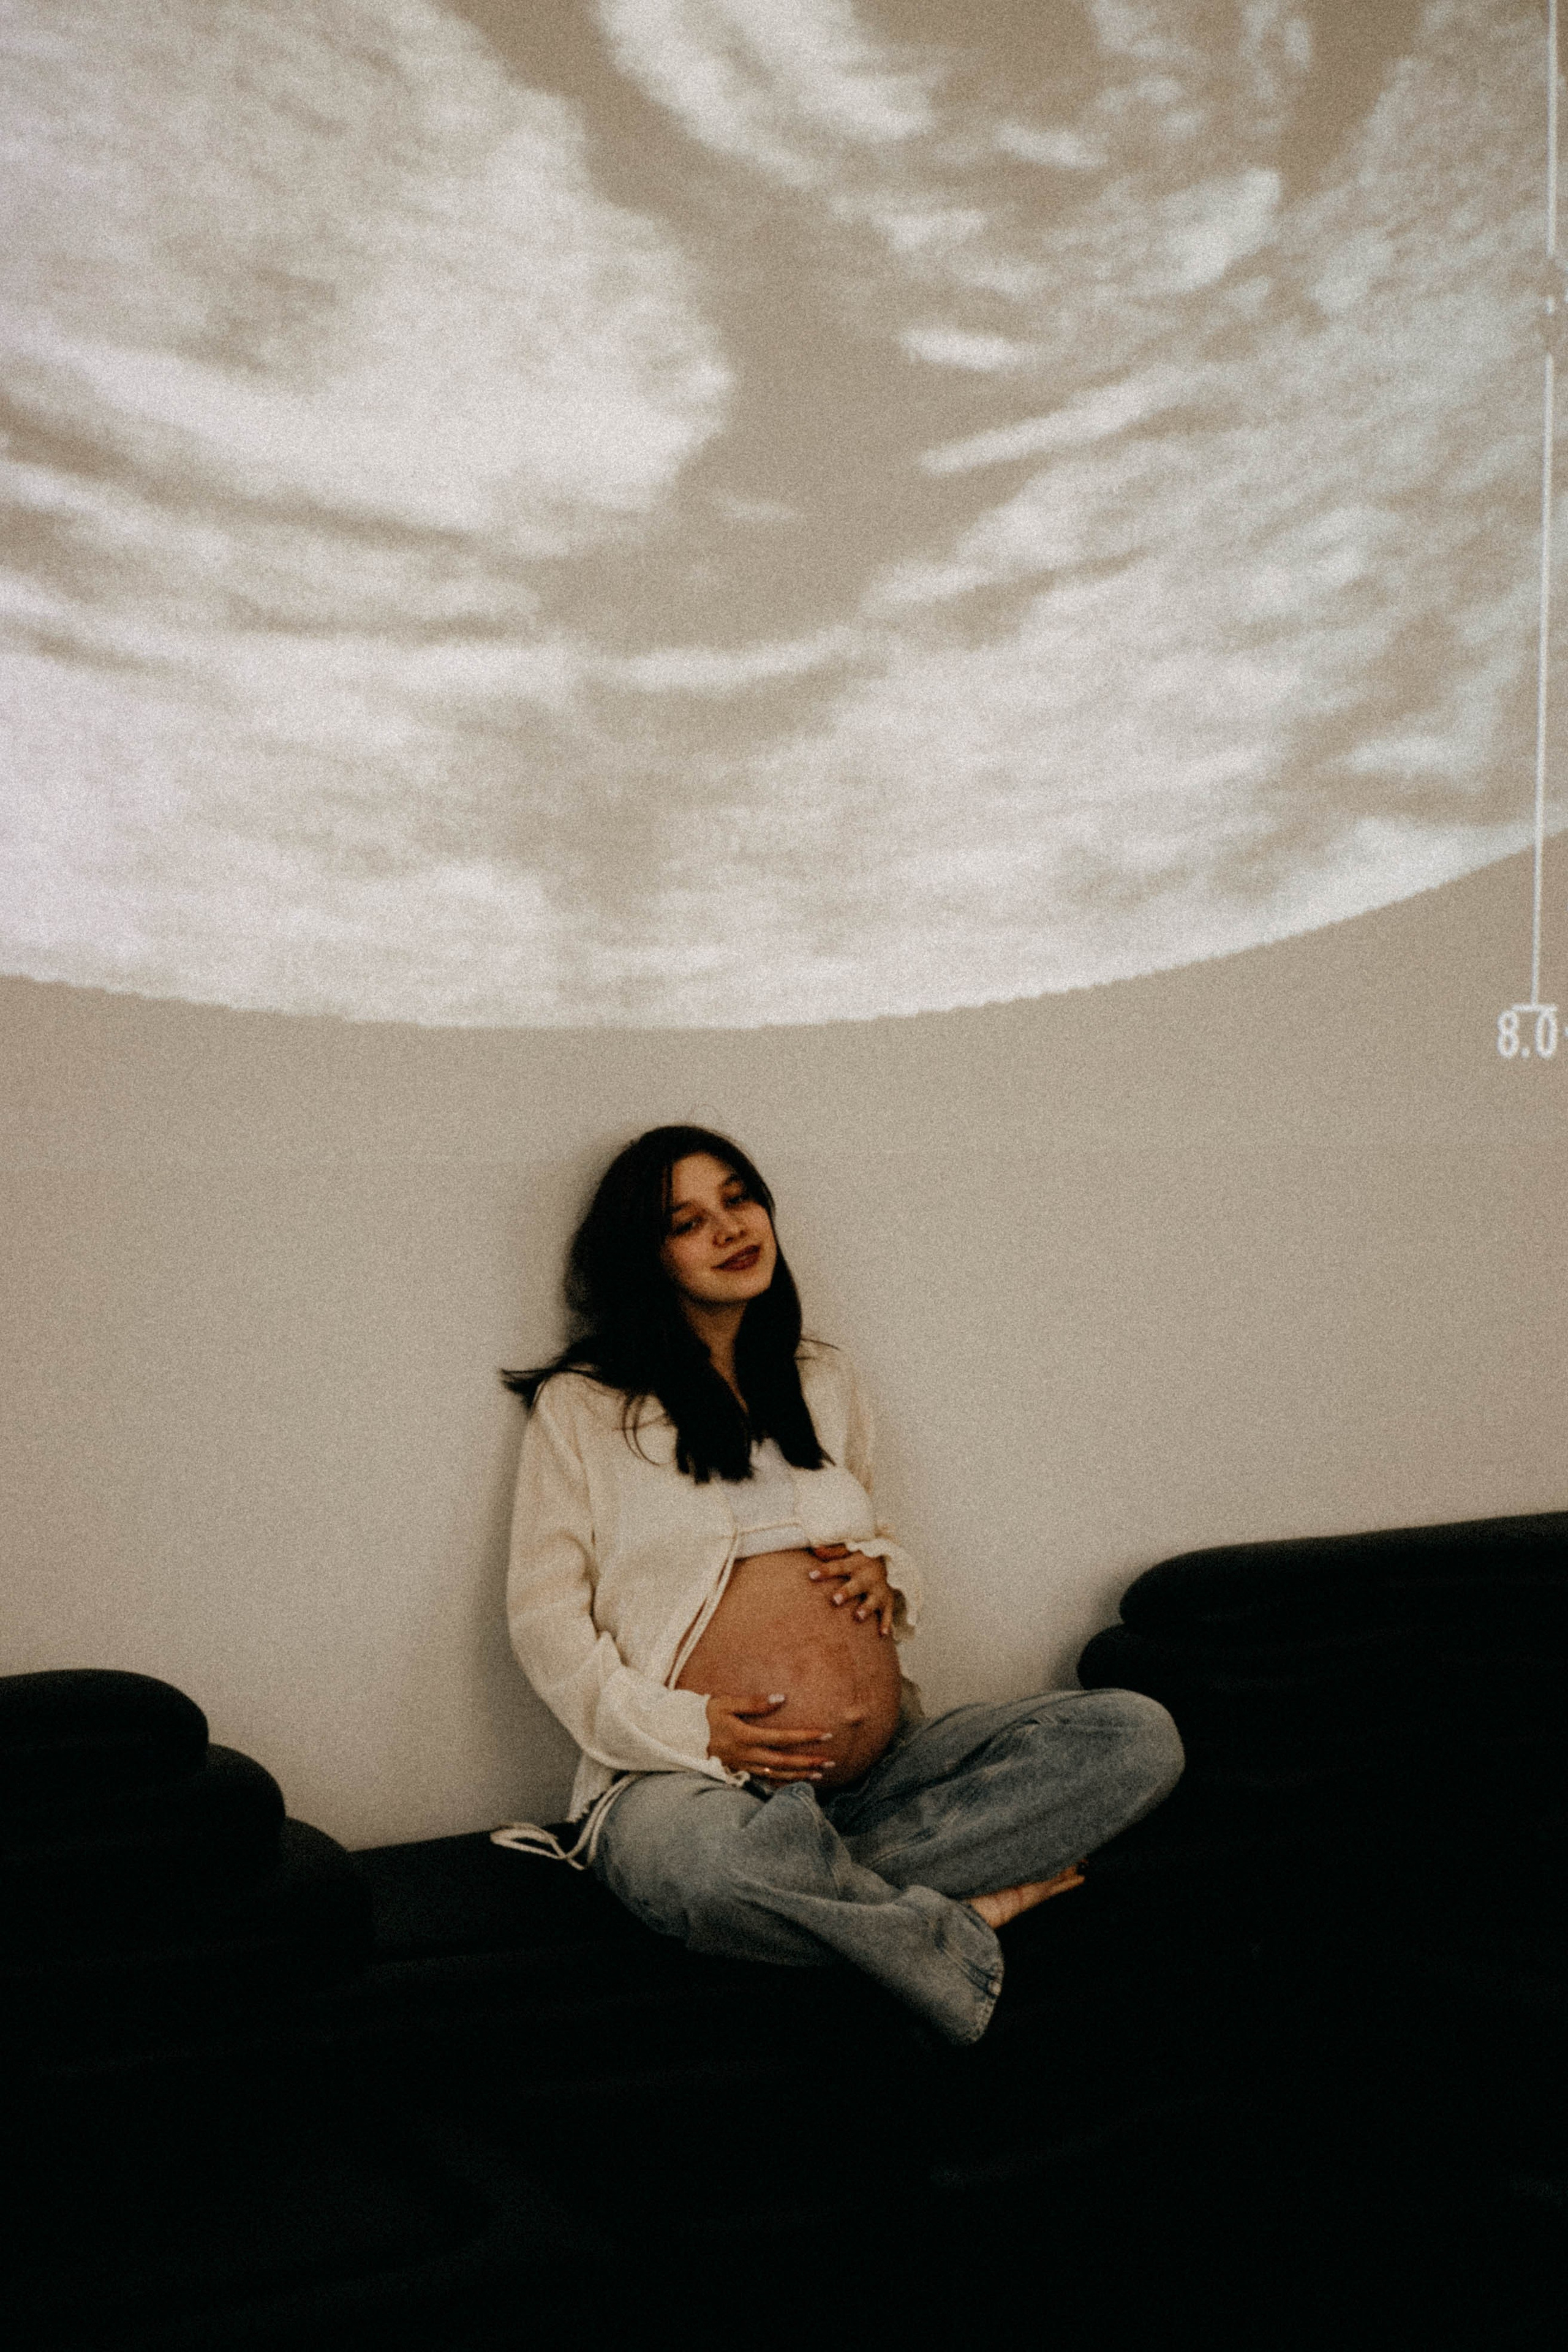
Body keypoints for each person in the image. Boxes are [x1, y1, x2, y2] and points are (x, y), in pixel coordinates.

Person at [493, 1125, 1183, 2048]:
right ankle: (951, 1928)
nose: (730, 1229)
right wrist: (690, 1729)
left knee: (1135, 1736)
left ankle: (826, 1890)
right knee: (712, 1872)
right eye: (687, 1223)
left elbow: (875, 1536)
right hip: (685, 1782)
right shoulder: (585, 1405)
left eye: (738, 1198)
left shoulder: (823, 1378)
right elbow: (544, 1623)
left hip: (883, 1772)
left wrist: (888, 1573)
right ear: (646, 1257)